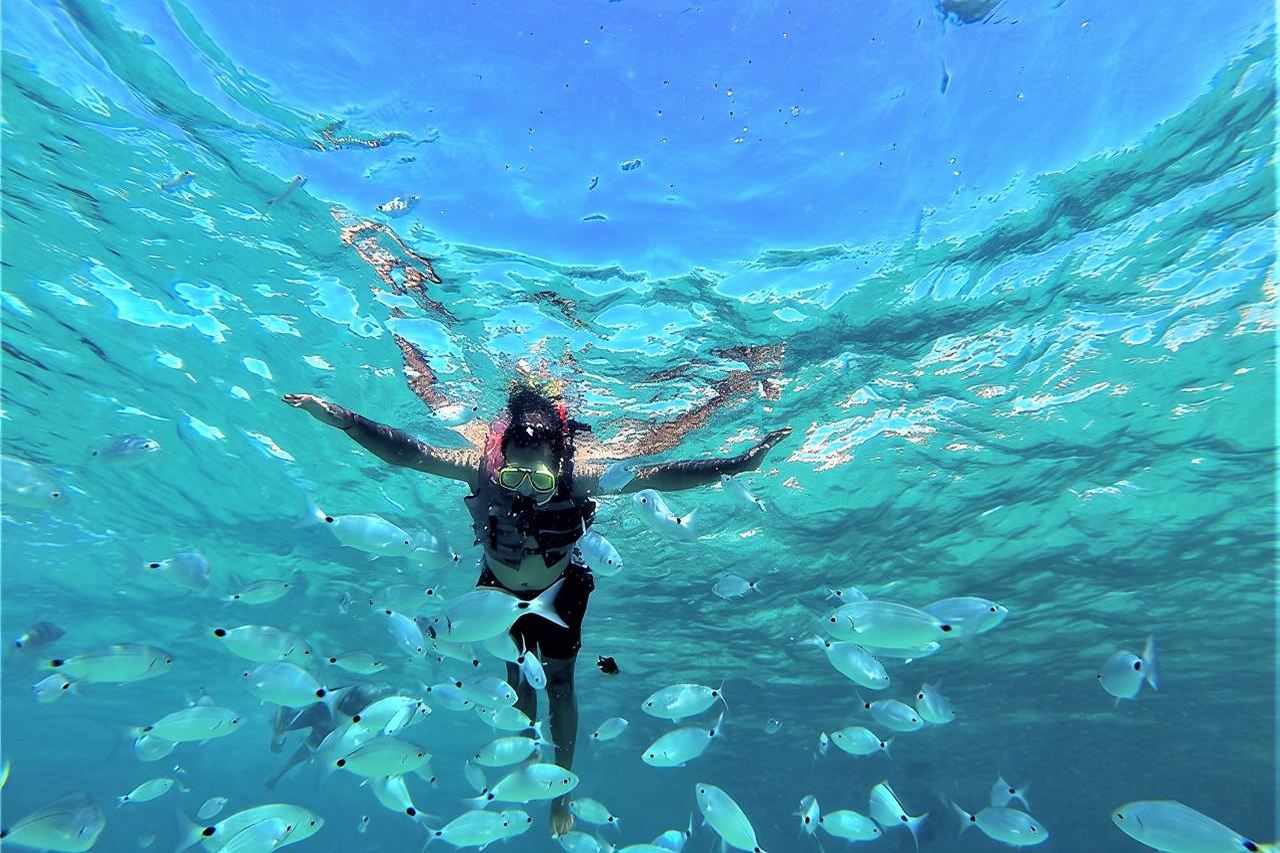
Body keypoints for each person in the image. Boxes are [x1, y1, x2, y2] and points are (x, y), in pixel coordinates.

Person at [283, 380, 790, 834]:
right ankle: (525, 761)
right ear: (500, 460)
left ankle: (561, 788)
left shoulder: (582, 475)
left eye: (539, 480)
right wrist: (340, 416)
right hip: (497, 594)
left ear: (558, 463)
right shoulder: (478, 468)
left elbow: (661, 475)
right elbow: (405, 452)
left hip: (562, 588)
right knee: (520, 683)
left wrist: (736, 465)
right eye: (513, 477)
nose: (525, 489)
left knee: (562, 685)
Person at [266, 683, 393, 789]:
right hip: (330, 710)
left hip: (333, 709)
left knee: (310, 739)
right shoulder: (370, 713)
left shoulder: (369, 709)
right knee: (302, 734)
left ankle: (282, 764)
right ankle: (282, 714)